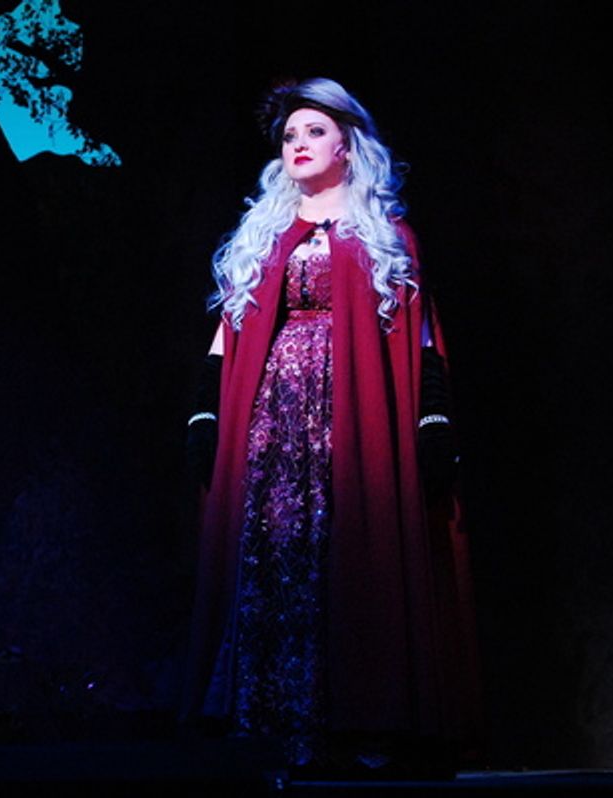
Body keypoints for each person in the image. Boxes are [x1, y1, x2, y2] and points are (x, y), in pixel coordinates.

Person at [183, 78, 478, 768]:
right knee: (272, 553)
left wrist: (431, 412)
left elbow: (420, 332)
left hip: (353, 411)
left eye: (314, 131)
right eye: (289, 136)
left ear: (348, 141)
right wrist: (206, 406)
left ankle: (358, 717)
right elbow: (231, 329)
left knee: (348, 550)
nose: (298, 145)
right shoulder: (267, 231)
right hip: (272, 419)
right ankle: (267, 717)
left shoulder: (385, 232)